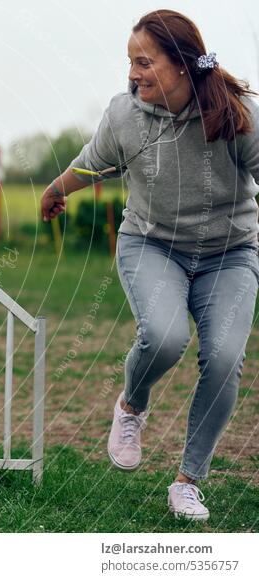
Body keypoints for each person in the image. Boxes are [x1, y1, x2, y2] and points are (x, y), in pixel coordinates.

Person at [41, 9, 259, 522]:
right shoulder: (125, 114)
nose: (133, 73)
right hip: (151, 243)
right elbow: (94, 160)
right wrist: (57, 189)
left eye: (145, 62)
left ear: (183, 65)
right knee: (164, 337)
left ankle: (188, 482)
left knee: (226, 358)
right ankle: (132, 405)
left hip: (230, 253)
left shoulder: (238, 115)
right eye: (130, 62)